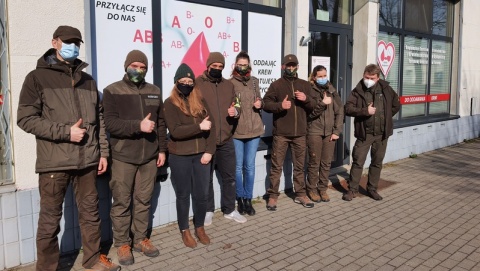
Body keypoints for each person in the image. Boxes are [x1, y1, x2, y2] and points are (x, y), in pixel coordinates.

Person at [16, 25, 119, 271]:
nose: (73, 46)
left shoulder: (88, 80)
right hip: (55, 162)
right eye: (67, 41)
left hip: (87, 161)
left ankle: (93, 259)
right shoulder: (36, 77)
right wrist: (65, 132)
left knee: (91, 214)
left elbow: (100, 119)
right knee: (50, 221)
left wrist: (103, 152)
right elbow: (25, 118)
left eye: (77, 42)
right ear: (55, 42)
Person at [102, 50, 167, 265]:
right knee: (122, 202)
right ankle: (122, 243)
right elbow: (110, 123)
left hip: (149, 156)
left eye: (142, 67)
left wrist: (161, 149)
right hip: (122, 156)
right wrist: (137, 126)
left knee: (143, 200)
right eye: (135, 65)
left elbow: (160, 122)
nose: (138, 70)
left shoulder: (154, 91)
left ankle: (140, 239)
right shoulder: (112, 91)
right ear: (126, 66)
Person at [164, 63, 216, 248]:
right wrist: (198, 127)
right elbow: (176, 131)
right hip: (180, 156)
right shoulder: (169, 103)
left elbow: (212, 126)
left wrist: (209, 151)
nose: (187, 84)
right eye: (183, 81)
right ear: (176, 82)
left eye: (189, 81)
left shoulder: (200, 100)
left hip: (201, 155)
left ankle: (199, 227)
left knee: (202, 194)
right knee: (183, 195)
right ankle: (185, 230)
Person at [196, 52, 247, 225]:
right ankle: (208, 210)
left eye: (220, 67)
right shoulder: (197, 83)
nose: (217, 69)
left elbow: (237, 104)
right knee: (206, 178)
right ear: (208, 66)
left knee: (229, 176)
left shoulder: (228, 85)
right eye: (214, 66)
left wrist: (236, 111)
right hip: (206, 140)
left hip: (226, 139)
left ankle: (229, 209)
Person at [263, 54, 316, 210]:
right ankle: (273, 196)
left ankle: (300, 194)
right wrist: (280, 105)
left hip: (300, 133)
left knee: (300, 166)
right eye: (288, 66)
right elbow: (266, 104)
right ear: (283, 67)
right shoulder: (276, 85)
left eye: (294, 66)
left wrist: (306, 98)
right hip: (281, 134)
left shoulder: (305, 85)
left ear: (298, 67)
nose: (291, 68)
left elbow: (314, 105)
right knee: (276, 167)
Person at [343, 64, 400, 201]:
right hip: (365, 134)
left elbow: (396, 105)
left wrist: (385, 117)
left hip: (381, 134)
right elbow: (348, 108)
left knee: (376, 162)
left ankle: (372, 189)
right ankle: (352, 190)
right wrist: (364, 111)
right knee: (358, 162)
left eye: (371, 78)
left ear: (378, 78)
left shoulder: (386, 89)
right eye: (366, 77)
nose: (368, 80)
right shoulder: (358, 90)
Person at [229, 51, 264, 216]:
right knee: (237, 168)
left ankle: (248, 199)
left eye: (245, 64)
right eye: (240, 64)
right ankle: (240, 199)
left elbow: (259, 100)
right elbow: (232, 105)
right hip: (237, 131)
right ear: (235, 65)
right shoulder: (230, 84)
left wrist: (260, 103)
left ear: (249, 65)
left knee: (249, 167)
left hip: (254, 130)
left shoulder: (255, 82)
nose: (242, 67)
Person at [306, 65, 344, 202]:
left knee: (326, 163)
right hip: (314, 131)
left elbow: (340, 111)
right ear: (314, 77)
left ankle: (322, 189)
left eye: (324, 75)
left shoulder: (332, 90)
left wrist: (336, 131)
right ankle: (311, 189)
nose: (323, 78)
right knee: (314, 162)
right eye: (320, 76)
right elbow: (309, 114)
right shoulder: (310, 91)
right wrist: (322, 103)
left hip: (329, 133)